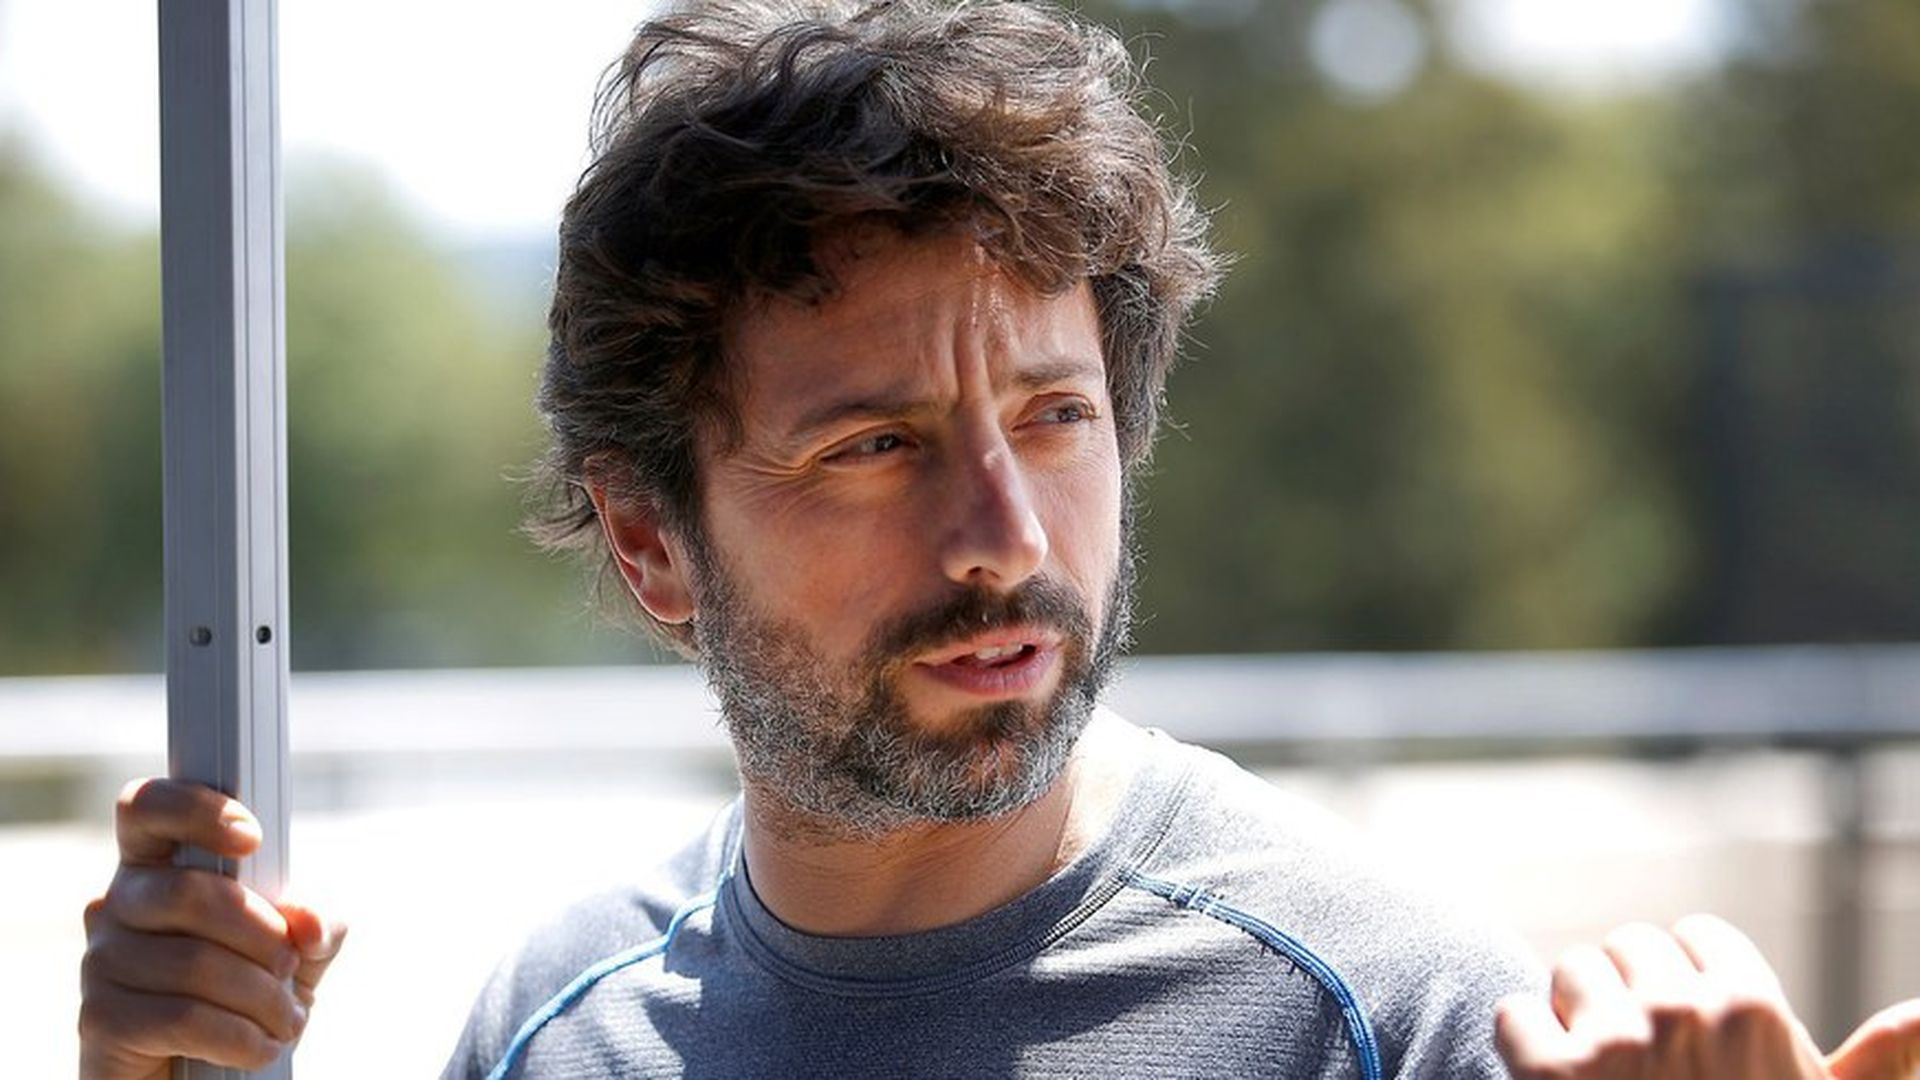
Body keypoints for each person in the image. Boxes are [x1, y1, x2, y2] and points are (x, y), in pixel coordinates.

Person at [78, 1, 1920, 1077]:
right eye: (875, 445)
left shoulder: (1395, 1025)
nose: (1005, 535)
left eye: (1054, 416)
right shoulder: (561, 1026)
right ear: (650, 545)